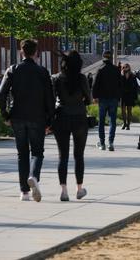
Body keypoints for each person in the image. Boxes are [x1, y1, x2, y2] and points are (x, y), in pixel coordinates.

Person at [0, 39, 55, 202]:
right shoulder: (43, 72)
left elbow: (1, 94)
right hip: (37, 118)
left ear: (21, 52)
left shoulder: (13, 69)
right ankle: (34, 176)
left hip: (17, 117)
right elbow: (50, 98)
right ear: (36, 52)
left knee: (22, 154)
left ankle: (24, 192)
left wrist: (5, 115)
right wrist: (50, 120)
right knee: (37, 152)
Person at [52, 50, 90, 201]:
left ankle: (64, 190)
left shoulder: (57, 78)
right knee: (79, 155)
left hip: (61, 117)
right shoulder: (82, 78)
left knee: (63, 156)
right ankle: (79, 188)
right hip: (79, 117)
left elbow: (51, 99)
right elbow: (89, 98)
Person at [92, 50, 122, 151]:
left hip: (103, 98)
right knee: (112, 121)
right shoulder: (116, 70)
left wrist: (94, 96)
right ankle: (111, 143)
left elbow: (95, 84)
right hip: (113, 98)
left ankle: (102, 142)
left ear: (103, 57)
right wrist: (118, 97)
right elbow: (120, 84)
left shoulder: (100, 70)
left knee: (101, 121)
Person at [120, 63, 139, 130]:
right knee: (123, 110)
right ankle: (124, 123)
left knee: (129, 110)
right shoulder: (121, 75)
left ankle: (128, 124)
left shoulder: (133, 75)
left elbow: (136, 87)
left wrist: (135, 96)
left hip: (130, 95)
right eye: (124, 67)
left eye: (127, 67)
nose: (125, 68)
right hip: (123, 95)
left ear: (129, 67)